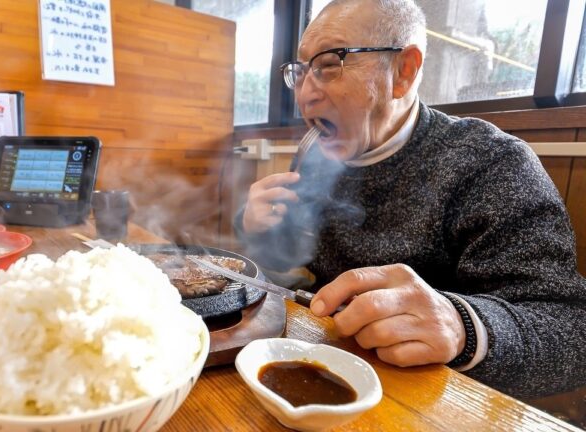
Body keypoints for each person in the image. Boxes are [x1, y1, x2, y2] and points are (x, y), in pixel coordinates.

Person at [235, 0, 586, 399]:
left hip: (442, 398)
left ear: (403, 72)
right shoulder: (315, 154)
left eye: (329, 65)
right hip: (329, 366)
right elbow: (292, 256)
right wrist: (257, 225)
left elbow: (572, 330)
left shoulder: (489, 161)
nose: (304, 95)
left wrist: (461, 328)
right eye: (301, 72)